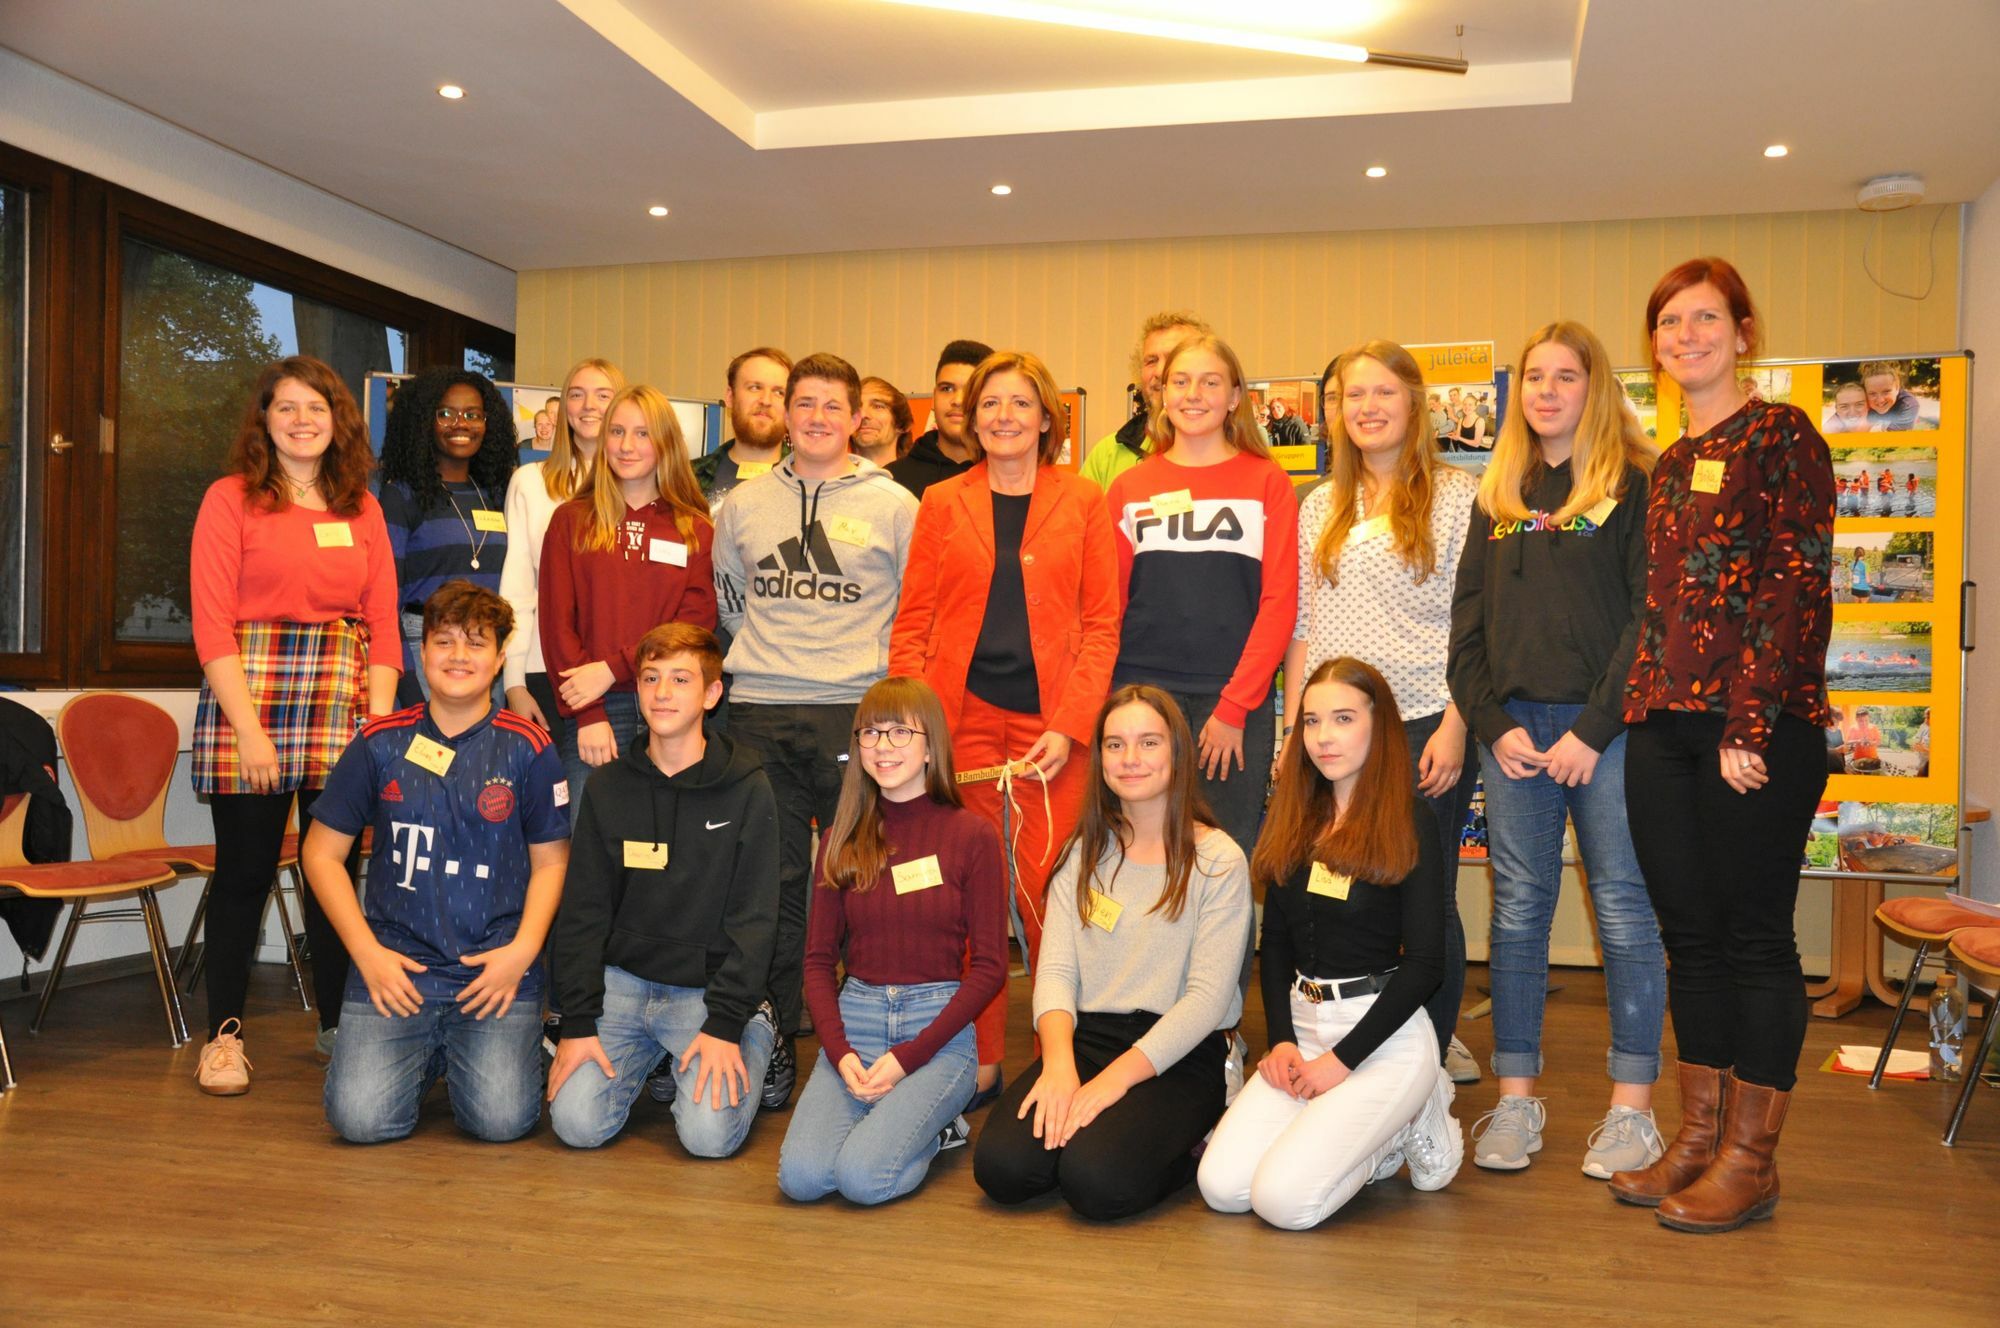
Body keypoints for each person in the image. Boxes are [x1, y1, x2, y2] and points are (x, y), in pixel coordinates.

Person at [1612, 256, 1834, 1233]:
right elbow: (1662, 604)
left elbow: (1794, 584)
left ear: (1742, 333)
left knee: (1753, 937)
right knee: (1689, 939)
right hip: (1663, 725)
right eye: (1669, 322)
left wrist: (1750, 721)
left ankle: (1752, 1159)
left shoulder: (1782, 435)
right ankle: (1697, 1140)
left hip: (1757, 730)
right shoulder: (1668, 463)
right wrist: (1640, 706)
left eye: (1705, 318)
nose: (1685, 336)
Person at [1446, 321, 1668, 1177]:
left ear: (1594, 386)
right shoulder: (1500, 492)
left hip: (1604, 734)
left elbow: (1649, 622)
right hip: (1512, 736)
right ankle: (1515, 1100)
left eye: (1565, 376)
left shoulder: (1632, 484)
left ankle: (1631, 1113)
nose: (1546, 390)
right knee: (1517, 911)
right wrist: (1492, 724)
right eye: (1534, 376)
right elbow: (1467, 625)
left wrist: (1593, 730)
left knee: (1624, 910)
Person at [890, 350, 1121, 1106]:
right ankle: (981, 1059)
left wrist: (1073, 724)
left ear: (1047, 417)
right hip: (959, 728)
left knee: (1052, 897)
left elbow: (1101, 627)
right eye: (990, 403)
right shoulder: (941, 501)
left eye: (1021, 403)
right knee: (968, 900)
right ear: (970, 417)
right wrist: (916, 727)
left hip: (1051, 731)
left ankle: (1066, 1057)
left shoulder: (1083, 499)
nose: (1004, 416)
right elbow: (913, 623)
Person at [713, 352, 922, 1108]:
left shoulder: (895, 505)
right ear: (786, 412)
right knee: (769, 884)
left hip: (854, 712)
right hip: (758, 709)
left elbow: (913, 608)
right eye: (805, 403)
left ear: (857, 418)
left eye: (834, 406)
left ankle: (863, 1041)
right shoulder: (743, 504)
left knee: (859, 876)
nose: (817, 418)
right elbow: (731, 601)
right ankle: (772, 1031)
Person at [189, 356, 401, 1092]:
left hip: (340, 694)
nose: (302, 420)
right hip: (249, 693)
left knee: (332, 871)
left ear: (338, 420)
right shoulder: (231, 498)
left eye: (317, 407)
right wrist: (249, 731)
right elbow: (211, 623)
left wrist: (379, 727)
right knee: (245, 874)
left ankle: (341, 1028)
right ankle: (223, 1040)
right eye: (286, 407)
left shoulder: (362, 507)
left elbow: (383, 623)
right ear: (265, 419)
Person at [1197, 657, 1463, 1226]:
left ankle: (1415, 1114)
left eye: (1343, 718)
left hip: (1382, 1035)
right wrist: (1281, 1041)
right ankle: (1353, 1126)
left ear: (1378, 724)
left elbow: (1426, 964)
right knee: (1222, 1188)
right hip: (1305, 1028)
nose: (1323, 738)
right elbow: (1275, 943)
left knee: (1285, 1203)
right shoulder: (1292, 812)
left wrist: (1341, 1063)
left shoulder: (1411, 818)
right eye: (1311, 721)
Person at [973, 685, 1253, 1220]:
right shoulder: (1082, 852)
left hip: (1180, 1050)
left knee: (1096, 1183)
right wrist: (1059, 1066)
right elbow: (1056, 971)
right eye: (1115, 744)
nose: (1130, 759)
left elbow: (1207, 1000)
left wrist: (1109, 1085)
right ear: (1099, 758)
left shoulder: (1218, 860)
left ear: (1177, 752)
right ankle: (1098, 1134)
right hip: (1089, 1037)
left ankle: (1199, 1140)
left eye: (1149, 742)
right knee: (1004, 1171)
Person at [305, 581, 570, 1143]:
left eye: (476, 643)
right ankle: (430, 1057)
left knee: (501, 1122)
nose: (458, 656)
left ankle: (453, 1052)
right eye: (443, 641)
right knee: (360, 1122)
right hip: (396, 971)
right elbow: (321, 853)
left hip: (494, 972)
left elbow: (552, 862)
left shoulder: (529, 748)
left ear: (500, 657)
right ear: (421, 651)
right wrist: (366, 954)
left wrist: (522, 953)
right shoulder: (378, 742)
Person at [1287, 339, 1480, 1084]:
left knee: (1425, 896)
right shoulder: (1321, 504)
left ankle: (1429, 1055)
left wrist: (1457, 725)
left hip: (1425, 719)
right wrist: (1294, 731)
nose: (1366, 408)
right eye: (1350, 396)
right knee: (1337, 882)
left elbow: (1474, 624)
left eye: (1382, 393)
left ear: (1415, 404)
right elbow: (1304, 627)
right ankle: (1346, 1040)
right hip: (1335, 724)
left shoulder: (1457, 497)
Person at [546, 623, 781, 1157]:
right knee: (575, 1124)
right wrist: (578, 1022)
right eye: (651, 678)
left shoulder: (747, 787)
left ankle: (758, 1026)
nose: (662, 693)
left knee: (708, 1138)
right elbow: (583, 912)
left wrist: (726, 1023)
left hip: (708, 992)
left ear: (712, 694)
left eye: (680, 679)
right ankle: (659, 1059)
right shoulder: (607, 787)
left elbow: (756, 920)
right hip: (622, 987)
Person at [777, 678, 1008, 1203]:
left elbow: (991, 966)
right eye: (871, 733)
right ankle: (896, 1120)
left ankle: (936, 1127)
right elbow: (817, 962)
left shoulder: (971, 835)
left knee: (863, 1179)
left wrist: (909, 1057)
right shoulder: (840, 837)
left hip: (937, 1031)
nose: (883, 746)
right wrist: (838, 1052)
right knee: (802, 1179)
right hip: (856, 1020)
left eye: (901, 732)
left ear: (931, 747)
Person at [1105, 332, 1297, 867]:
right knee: (1138, 858)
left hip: (1231, 704)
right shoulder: (1128, 488)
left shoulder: (1267, 482)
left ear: (1235, 397)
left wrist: (1234, 708)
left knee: (1222, 862)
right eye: (1181, 382)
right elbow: (1108, 607)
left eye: (1210, 382)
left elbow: (1280, 603)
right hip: (1141, 696)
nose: (1193, 394)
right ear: (1162, 393)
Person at [539, 384, 716, 819]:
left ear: (666, 442)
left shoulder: (693, 528)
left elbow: (695, 625)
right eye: (617, 431)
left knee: (667, 841)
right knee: (592, 844)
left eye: (642, 433)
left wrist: (614, 667)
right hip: (598, 712)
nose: (626, 445)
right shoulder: (571, 521)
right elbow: (557, 625)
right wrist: (588, 714)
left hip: (671, 702)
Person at [376, 366, 518, 705]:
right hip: (425, 645)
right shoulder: (402, 496)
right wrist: (408, 687)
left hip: (488, 647)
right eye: (445, 414)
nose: (461, 424)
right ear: (424, 421)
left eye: (473, 415)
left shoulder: (498, 494)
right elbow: (385, 603)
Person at [498, 358, 624, 741]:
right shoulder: (529, 482)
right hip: (543, 668)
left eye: (603, 395)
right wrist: (514, 682)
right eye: (577, 394)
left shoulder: (641, 487)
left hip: (620, 673)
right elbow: (517, 587)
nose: (589, 406)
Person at [1079, 311, 1212, 491]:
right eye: (1151, 361)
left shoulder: (1232, 452)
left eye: (1174, 358)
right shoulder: (1107, 455)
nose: (1160, 371)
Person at [890, 339, 993, 499]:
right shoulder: (892, 481)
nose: (958, 400)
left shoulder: (1010, 480)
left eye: (971, 390)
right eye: (947, 389)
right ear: (933, 398)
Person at [692, 347, 792, 502]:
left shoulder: (813, 481)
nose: (766, 400)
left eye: (779, 392)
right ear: (730, 397)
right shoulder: (686, 478)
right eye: (755, 388)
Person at [856, 376, 915, 466]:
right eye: (857, 407)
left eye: (877, 406)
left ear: (902, 425)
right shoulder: (834, 473)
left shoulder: (919, 473)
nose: (863, 415)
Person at [1860, 361, 1924, 430]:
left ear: (1897, 388)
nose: (1880, 400)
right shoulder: (1862, 400)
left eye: (1886, 392)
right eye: (1872, 394)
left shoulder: (1908, 404)